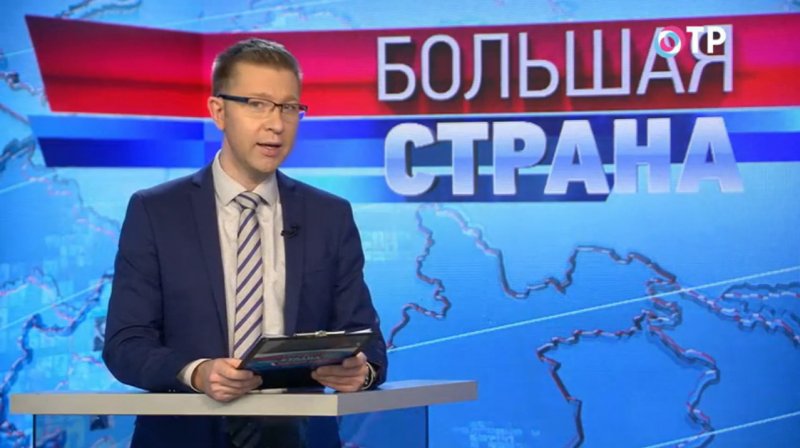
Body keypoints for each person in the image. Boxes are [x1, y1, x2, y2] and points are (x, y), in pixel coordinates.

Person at [102, 38, 388, 448]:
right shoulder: (156, 212)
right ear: (218, 111)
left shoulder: (329, 215)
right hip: (184, 437)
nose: (276, 124)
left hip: (299, 438)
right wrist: (198, 372)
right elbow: (125, 344)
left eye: (289, 107)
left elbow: (367, 340)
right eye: (258, 104)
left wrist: (361, 372)